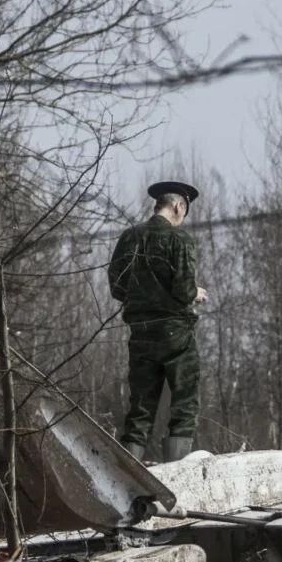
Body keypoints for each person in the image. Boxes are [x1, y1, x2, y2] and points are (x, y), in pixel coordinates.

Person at [107, 181, 208, 463]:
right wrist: (195, 293)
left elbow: (117, 285)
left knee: (140, 406)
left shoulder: (129, 237)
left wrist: (141, 299)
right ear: (179, 206)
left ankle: (129, 476)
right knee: (185, 402)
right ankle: (176, 472)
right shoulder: (179, 240)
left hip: (140, 332)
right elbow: (182, 288)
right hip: (175, 332)